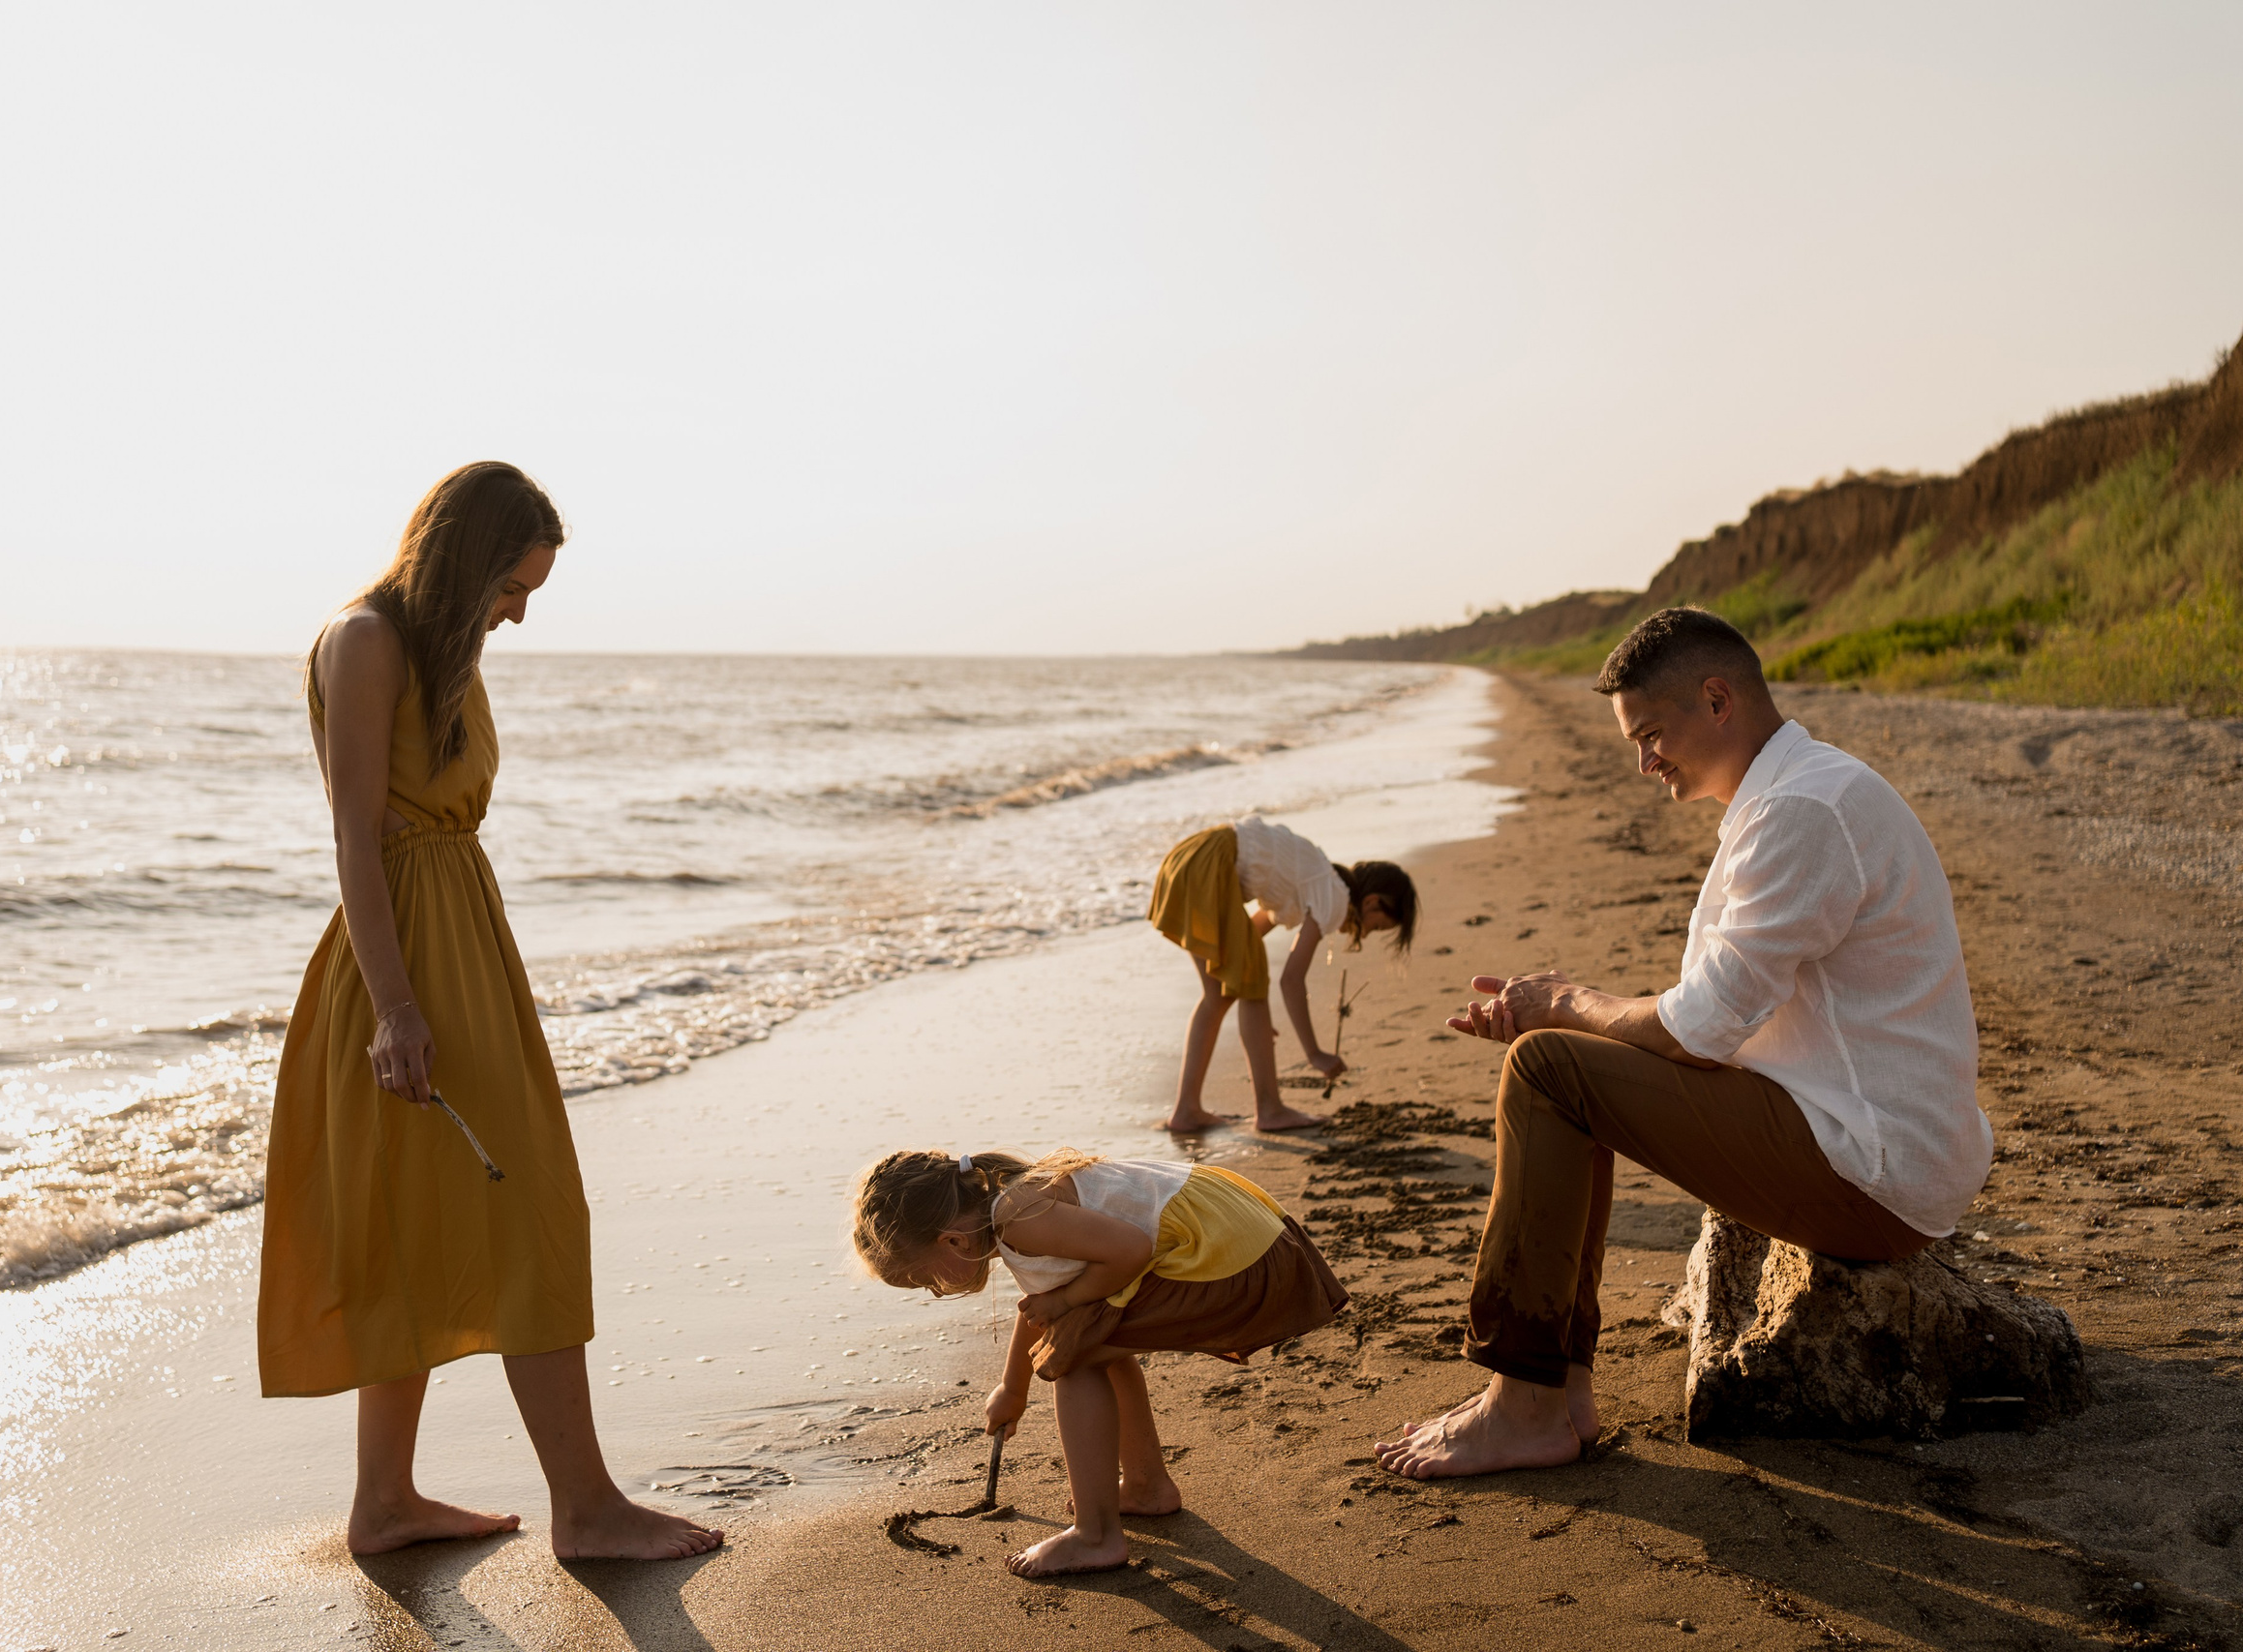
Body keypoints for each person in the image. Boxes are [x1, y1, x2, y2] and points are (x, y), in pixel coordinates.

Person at [1376, 607, 1991, 1480]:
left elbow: (1698, 1033)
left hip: (1873, 1170)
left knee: (1549, 1070)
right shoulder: (1784, 797)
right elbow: (1703, 1024)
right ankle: (1559, 1397)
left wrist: (1570, 1006)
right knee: (1553, 1066)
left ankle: (1525, 1406)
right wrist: (1562, 1016)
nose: (1644, 761)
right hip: (1848, 1135)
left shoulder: (1804, 811)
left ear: (1717, 698)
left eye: (1652, 734)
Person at [258, 462, 722, 1561]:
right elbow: (355, 840)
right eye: (513, 588)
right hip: (407, 968)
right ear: (468, 559)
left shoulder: (436, 647)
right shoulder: (365, 641)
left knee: (453, 1219)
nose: (517, 612)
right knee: (529, 1212)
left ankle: (386, 1502)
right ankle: (589, 1509)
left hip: (466, 944)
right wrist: (398, 1010)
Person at [853, 1148, 1348, 1578]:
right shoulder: (1012, 1204)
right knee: (1090, 1335)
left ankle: (1095, 1536)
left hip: (1234, 1257)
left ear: (952, 1242)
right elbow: (1049, 1306)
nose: (936, 1292)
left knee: (1078, 1356)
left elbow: (1127, 1251)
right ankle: (1146, 1486)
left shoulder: (1021, 1216)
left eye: (924, 1281)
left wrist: (1067, 1305)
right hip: (1238, 1238)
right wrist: (1013, 1387)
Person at [1148, 817, 1417, 1133]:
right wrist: (1314, 1053)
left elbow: (1251, 935)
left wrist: (1257, 1024)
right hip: (1210, 861)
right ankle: (1270, 1110)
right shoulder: (1335, 894)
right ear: (1372, 902)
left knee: (1222, 992)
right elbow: (1291, 979)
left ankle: (1186, 1110)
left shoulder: (1311, 879)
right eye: (1376, 927)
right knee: (1249, 981)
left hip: (1189, 857)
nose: (1366, 934)